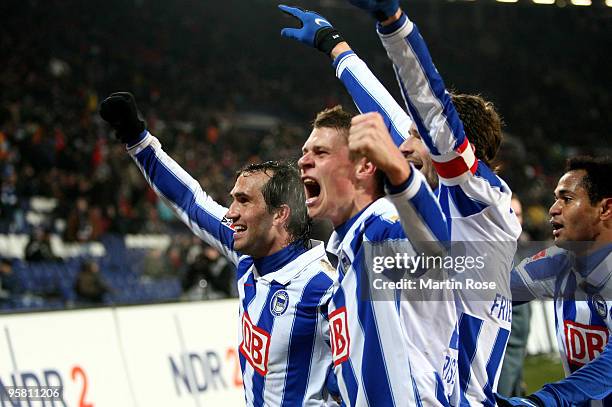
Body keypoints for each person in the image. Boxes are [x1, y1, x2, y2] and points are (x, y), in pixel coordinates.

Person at [280, 3, 521, 405]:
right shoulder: (429, 187)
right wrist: (333, 45)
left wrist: (394, 25)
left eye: (415, 135)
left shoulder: (484, 204)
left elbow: (429, 109)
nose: (403, 144)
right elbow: (380, 108)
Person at [99, 92, 338, 406]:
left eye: (244, 200)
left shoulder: (325, 286)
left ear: (280, 214)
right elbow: (191, 201)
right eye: (233, 198)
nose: (230, 212)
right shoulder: (247, 254)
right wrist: (137, 140)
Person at [281, 13, 456, 398]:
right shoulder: (345, 256)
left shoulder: (385, 230)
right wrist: (335, 46)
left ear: (363, 165)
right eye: (304, 152)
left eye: (320, 152)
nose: (303, 161)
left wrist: (395, 167)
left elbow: (437, 250)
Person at [499, 156, 612, 406]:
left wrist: (543, 401)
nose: (553, 209)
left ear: (604, 209)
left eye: (567, 199)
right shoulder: (558, 261)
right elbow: (491, 295)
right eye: (555, 198)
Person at [497, 195, 532, 397]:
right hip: (502, 357)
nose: (515, 220)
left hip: (516, 358)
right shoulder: (494, 254)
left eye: (518, 214)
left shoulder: (516, 252)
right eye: (510, 214)